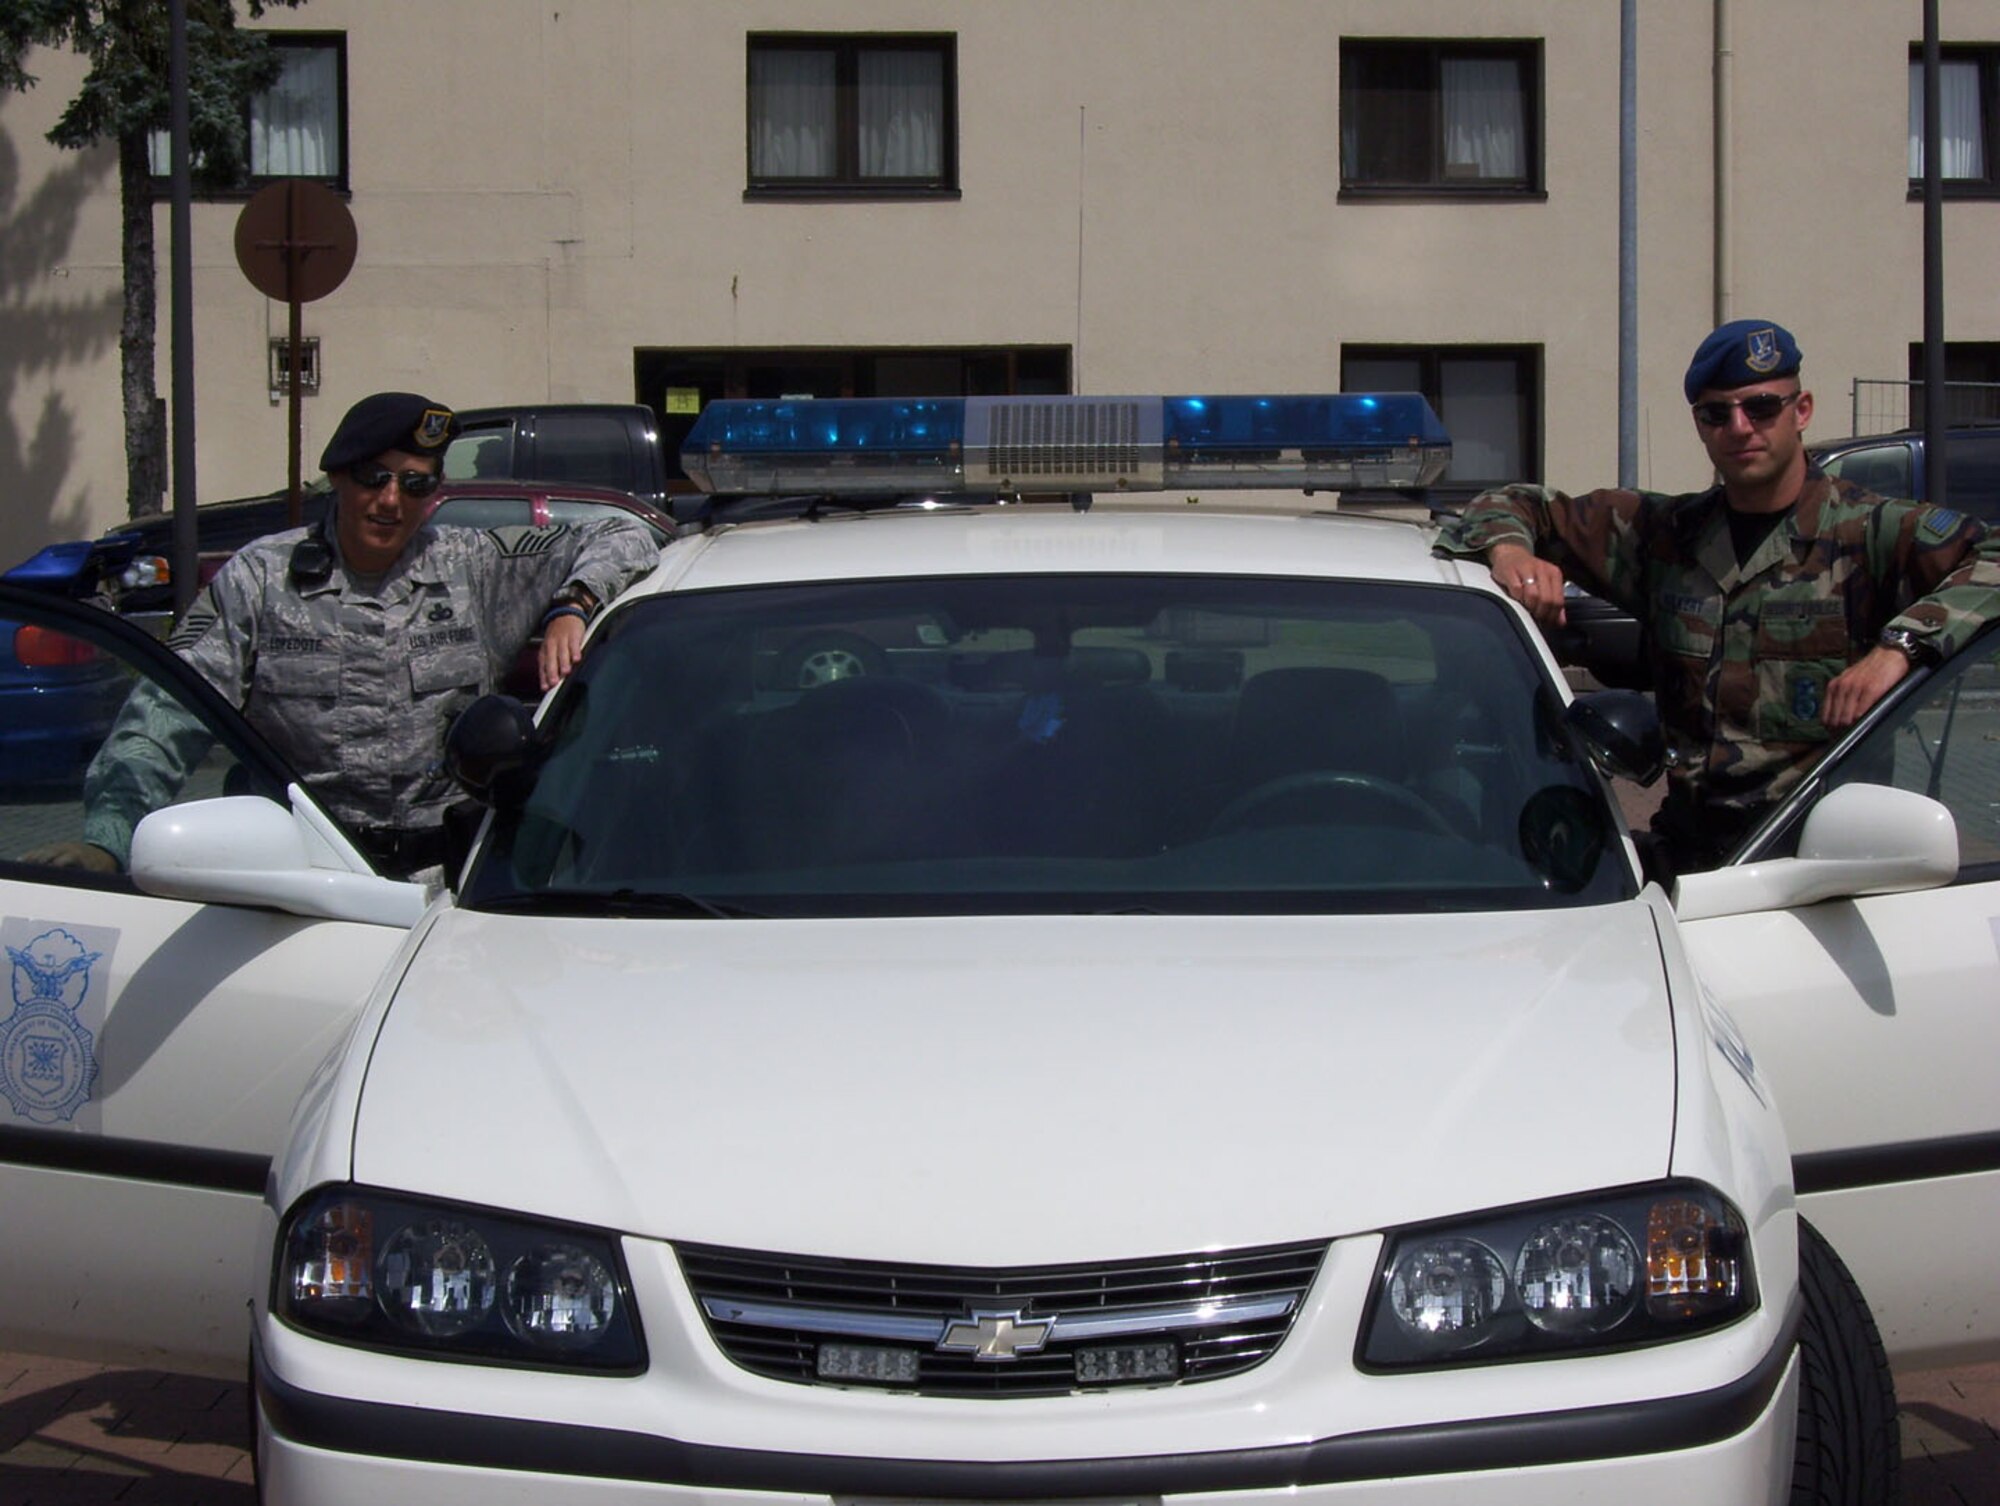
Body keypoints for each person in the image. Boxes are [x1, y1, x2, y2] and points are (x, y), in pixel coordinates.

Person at [1433, 319, 2000, 872]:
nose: (1741, 427)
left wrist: (1900, 647)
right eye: (1717, 413)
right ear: (1701, 426)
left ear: (1800, 411)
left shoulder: (1870, 533)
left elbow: (1993, 556)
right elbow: (1505, 504)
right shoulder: (1663, 534)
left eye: (1761, 407)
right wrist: (1513, 553)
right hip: (1692, 858)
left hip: (1819, 868)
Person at [31, 391, 658, 880]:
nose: (391, 501)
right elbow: (166, 716)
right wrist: (107, 844)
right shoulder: (260, 580)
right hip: (297, 884)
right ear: (337, 477)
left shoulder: (477, 565)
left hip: (440, 889)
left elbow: (627, 535)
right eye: (374, 477)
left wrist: (573, 605)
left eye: (416, 484)